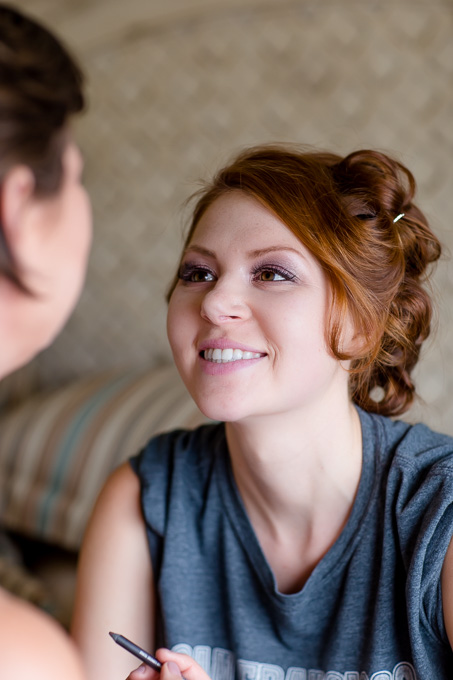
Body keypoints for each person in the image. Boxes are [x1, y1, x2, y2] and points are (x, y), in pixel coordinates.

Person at [71, 143, 453, 680]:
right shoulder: (144, 500)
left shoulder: (439, 512)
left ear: (361, 325)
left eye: (272, 273)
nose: (212, 301)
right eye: (198, 273)